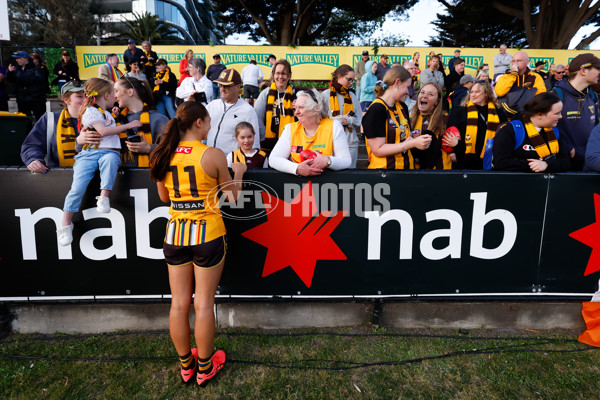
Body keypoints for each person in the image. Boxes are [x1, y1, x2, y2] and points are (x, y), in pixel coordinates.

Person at [148, 100, 246, 387]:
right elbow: (233, 197)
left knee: (178, 304)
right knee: (203, 304)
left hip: (175, 234)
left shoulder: (162, 153)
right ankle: (205, 367)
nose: (211, 125)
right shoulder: (213, 155)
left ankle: (186, 366)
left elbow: (165, 198)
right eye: (209, 120)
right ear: (199, 123)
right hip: (208, 235)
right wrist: (238, 172)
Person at [57, 78, 142, 246]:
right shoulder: (90, 111)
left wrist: (114, 116)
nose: (116, 97)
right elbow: (103, 131)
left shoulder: (105, 113)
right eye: (114, 94)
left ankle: (104, 197)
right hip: (89, 154)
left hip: (108, 153)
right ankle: (65, 224)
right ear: (106, 95)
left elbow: (105, 122)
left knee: (111, 161)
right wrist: (128, 125)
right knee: (77, 188)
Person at [361, 66, 432, 170]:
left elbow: (403, 138)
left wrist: (415, 139)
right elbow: (378, 150)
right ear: (397, 82)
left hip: (406, 170)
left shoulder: (402, 106)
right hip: (384, 174)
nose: (408, 92)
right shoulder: (377, 109)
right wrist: (410, 144)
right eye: (407, 86)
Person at [269, 89, 351, 175]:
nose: (296, 112)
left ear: (317, 108)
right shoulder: (290, 128)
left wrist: (327, 161)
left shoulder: (334, 126)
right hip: (296, 185)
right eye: (295, 108)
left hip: (326, 184)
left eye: (301, 107)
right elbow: (273, 159)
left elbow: (346, 161)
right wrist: (297, 168)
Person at [492, 92, 570, 172]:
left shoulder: (555, 132)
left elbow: (566, 162)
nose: (560, 116)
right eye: (557, 113)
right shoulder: (511, 130)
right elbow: (500, 162)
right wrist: (534, 165)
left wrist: (547, 164)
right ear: (540, 114)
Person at [20, 81, 88, 172]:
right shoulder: (50, 119)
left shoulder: (101, 119)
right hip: (59, 177)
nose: (86, 100)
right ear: (66, 99)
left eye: (87, 96)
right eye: (79, 96)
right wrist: (33, 159)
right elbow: (32, 145)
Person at [109, 76, 170, 167]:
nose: (115, 96)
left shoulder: (160, 120)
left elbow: (172, 150)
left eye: (116, 91)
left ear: (130, 92)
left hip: (151, 178)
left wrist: (149, 148)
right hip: (121, 179)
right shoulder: (113, 120)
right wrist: (80, 140)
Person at [554, 53, 600, 171]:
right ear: (583, 71)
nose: (599, 73)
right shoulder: (555, 95)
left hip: (589, 164)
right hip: (565, 165)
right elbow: (541, 127)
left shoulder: (593, 96)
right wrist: (567, 147)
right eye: (597, 69)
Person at [447, 81, 507, 169]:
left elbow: (504, 135)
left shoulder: (499, 112)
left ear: (486, 94)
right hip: (463, 160)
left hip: (490, 161)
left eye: (477, 92)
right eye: (471, 92)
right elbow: (450, 132)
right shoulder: (459, 111)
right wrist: (452, 151)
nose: (473, 95)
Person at [206, 68, 260, 155]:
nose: (222, 88)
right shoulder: (212, 105)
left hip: (231, 164)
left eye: (226, 85)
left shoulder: (248, 110)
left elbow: (255, 144)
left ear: (238, 87)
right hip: (209, 160)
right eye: (220, 85)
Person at [320, 64, 362, 167]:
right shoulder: (325, 95)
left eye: (353, 80)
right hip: (330, 142)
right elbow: (320, 119)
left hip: (350, 143)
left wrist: (348, 120)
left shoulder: (352, 96)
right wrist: (338, 120)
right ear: (339, 76)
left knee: (350, 177)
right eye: (349, 79)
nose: (351, 83)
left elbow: (359, 119)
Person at [254, 59, 295, 153]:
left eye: (284, 74)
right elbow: (258, 118)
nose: (280, 77)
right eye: (277, 73)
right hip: (268, 144)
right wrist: (264, 136)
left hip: (290, 144)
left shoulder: (295, 94)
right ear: (273, 75)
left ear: (289, 76)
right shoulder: (265, 94)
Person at [410, 82, 450, 169]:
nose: (424, 96)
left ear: (437, 101)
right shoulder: (409, 120)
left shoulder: (446, 119)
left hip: (439, 173)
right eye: (422, 92)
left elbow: (455, 149)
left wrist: (457, 145)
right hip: (414, 174)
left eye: (430, 94)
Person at [7, 50, 47, 120]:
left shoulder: (36, 68)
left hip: (36, 98)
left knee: (39, 118)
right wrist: (10, 72)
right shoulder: (16, 69)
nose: (17, 60)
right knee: (24, 119)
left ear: (25, 58)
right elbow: (10, 80)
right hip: (22, 99)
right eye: (16, 59)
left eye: (19, 58)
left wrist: (22, 77)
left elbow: (39, 79)